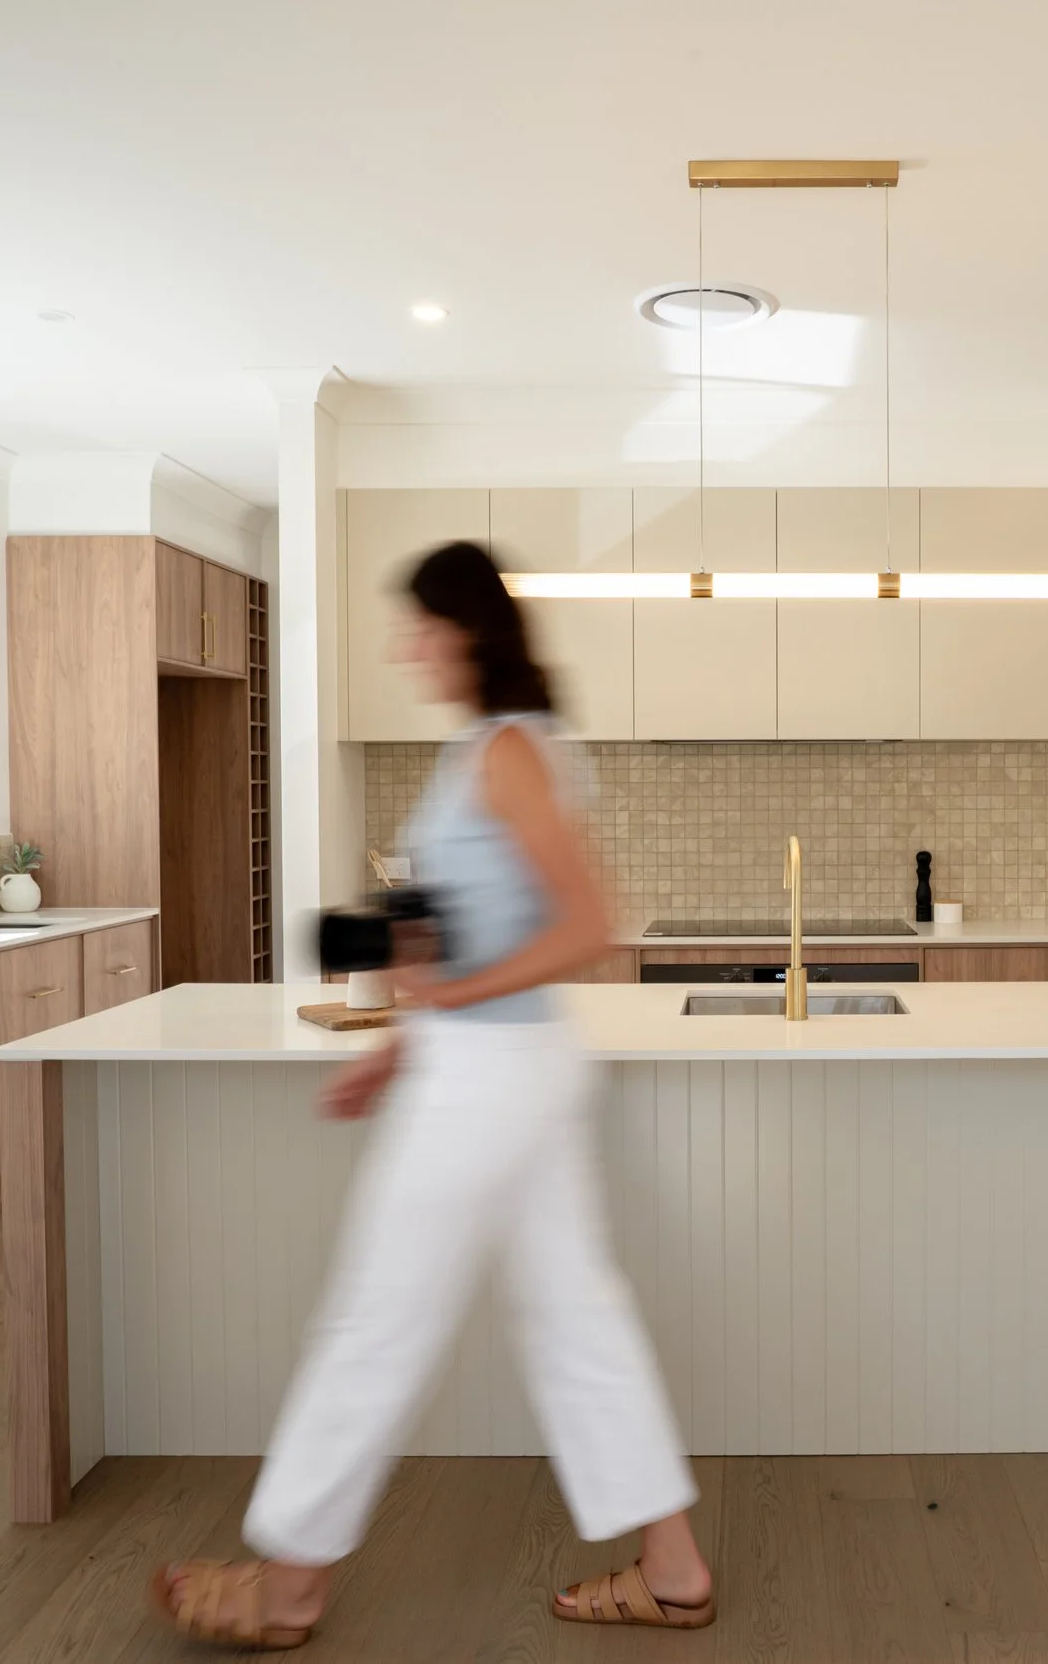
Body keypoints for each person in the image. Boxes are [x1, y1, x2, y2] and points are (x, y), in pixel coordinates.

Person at [149, 541, 713, 1650]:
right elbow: (471, 924)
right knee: (573, 1314)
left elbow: (589, 922)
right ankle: (675, 1565)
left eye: (419, 624)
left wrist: (447, 998)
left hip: (494, 1078)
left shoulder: (505, 749)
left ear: (465, 628)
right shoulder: (492, 746)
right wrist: (405, 1039)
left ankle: (288, 1586)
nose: (406, 646)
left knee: (378, 1316)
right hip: (503, 1068)